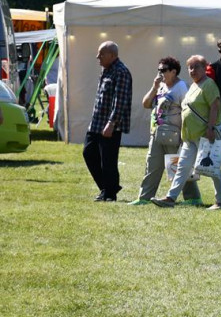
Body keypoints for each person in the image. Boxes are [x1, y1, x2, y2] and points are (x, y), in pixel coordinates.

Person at [153, 56, 221, 209]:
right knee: (182, 167)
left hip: (204, 135)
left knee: (212, 168)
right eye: (190, 68)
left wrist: (210, 128)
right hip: (189, 136)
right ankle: (170, 198)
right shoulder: (194, 85)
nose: (192, 70)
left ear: (204, 68)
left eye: (196, 67)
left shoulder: (209, 84)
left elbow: (215, 106)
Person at [130, 57, 202, 206]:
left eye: (163, 70)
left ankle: (193, 198)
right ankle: (144, 197)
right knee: (152, 166)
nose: (160, 73)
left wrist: (185, 135)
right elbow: (146, 104)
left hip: (175, 135)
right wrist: (154, 88)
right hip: (157, 133)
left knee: (179, 167)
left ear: (173, 72)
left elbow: (188, 111)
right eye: (159, 70)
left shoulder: (181, 87)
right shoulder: (160, 86)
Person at [84, 41, 133, 202]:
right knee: (88, 153)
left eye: (101, 54)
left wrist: (112, 123)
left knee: (108, 160)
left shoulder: (121, 72)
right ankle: (108, 187)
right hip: (97, 122)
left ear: (112, 55)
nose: (97, 57)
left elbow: (120, 101)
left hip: (110, 125)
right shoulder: (106, 70)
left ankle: (110, 193)